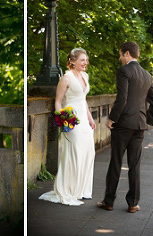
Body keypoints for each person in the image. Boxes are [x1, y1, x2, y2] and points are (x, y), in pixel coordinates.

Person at [98, 41, 153, 213]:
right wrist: (147, 120)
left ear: (126, 54)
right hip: (139, 126)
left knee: (116, 163)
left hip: (123, 124)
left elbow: (122, 98)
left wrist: (112, 118)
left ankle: (109, 202)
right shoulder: (147, 75)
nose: (119, 58)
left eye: (120, 54)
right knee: (135, 165)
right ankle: (133, 203)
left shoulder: (124, 71)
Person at [39, 48, 96, 206]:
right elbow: (58, 101)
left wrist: (90, 119)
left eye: (86, 60)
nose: (86, 63)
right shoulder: (66, 78)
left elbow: (83, 99)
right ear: (72, 61)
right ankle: (68, 189)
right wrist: (62, 120)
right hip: (71, 120)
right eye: (82, 60)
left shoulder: (85, 76)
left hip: (84, 120)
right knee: (74, 152)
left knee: (89, 151)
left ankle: (83, 190)